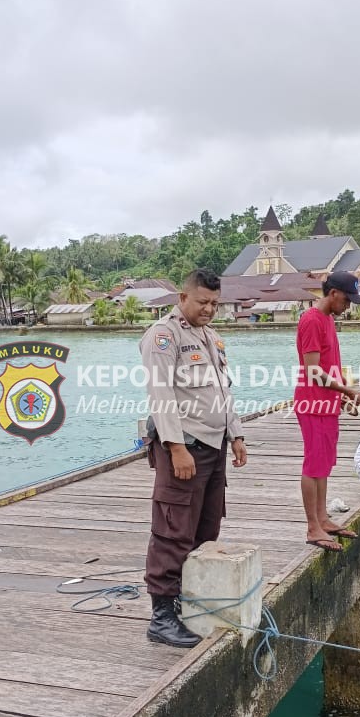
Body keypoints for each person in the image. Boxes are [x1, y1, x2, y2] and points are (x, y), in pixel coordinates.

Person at [140, 269, 247, 648]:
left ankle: (190, 599)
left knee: (206, 526)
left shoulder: (211, 338)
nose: (209, 309)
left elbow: (223, 391)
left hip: (214, 445)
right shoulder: (163, 336)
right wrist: (176, 447)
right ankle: (162, 616)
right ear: (181, 298)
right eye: (202, 302)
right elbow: (161, 394)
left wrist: (236, 434)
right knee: (173, 531)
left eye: (215, 303)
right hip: (184, 447)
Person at [294, 271, 360, 551]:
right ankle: (312, 526)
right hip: (312, 403)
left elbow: (329, 367)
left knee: (324, 463)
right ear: (334, 293)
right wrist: (347, 392)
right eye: (348, 300)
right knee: (313, 464)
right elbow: (313, 371)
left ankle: (323, 518)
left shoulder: (327, 319)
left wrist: (341, 400)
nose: (348, 306)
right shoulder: (312, 320)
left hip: (327, 403)